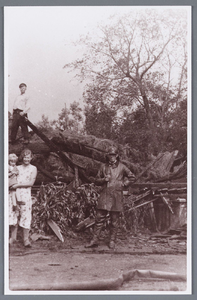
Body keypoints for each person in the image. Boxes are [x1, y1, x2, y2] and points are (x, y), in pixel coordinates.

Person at [85, 146, 135, 249]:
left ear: (117, 156)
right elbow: (96, 180)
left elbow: (132, 177)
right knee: (99, 219)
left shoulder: (122, 167)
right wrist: (103, 179)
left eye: (113, 155)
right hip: (105, 195)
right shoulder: (103, 167)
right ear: (107, 156)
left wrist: (123, 184)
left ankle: (112, 240)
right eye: (109, 155)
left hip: (116, 196)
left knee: (114, 220)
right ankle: (94, 240)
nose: (111, 157)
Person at [9, 149, 37, 247]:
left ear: (31, 158)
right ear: (22, 157)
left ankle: (26, 239)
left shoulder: (33, 168)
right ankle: (13, 237)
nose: (26, 159)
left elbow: (30, 183)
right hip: (15, 193)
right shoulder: (17, 167)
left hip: (25, 193)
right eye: (24, 157)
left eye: (28, 157)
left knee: (26, 214)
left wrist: (17, 185)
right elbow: (11, 178)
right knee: (14, 213)